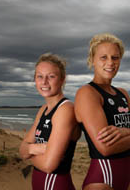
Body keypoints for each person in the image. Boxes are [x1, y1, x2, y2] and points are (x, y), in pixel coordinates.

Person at [74, 33, 130, 190]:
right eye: (103, 57)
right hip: (102, 178)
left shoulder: (122, 93)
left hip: (127, 175)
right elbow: (105, 148)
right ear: (92, 60)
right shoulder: (87, 93)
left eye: (115, 58)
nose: (110, 63)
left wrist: (124, 132)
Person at [19, 53, 81, 190]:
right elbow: (22, 149)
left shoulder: (66, 110)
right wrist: (33, 148)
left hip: (56, 184)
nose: (44, 82)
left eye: (51, 76)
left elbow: (49, 165)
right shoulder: (43, 109)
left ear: (62, 80)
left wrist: (28, 153)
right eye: (39, 76)